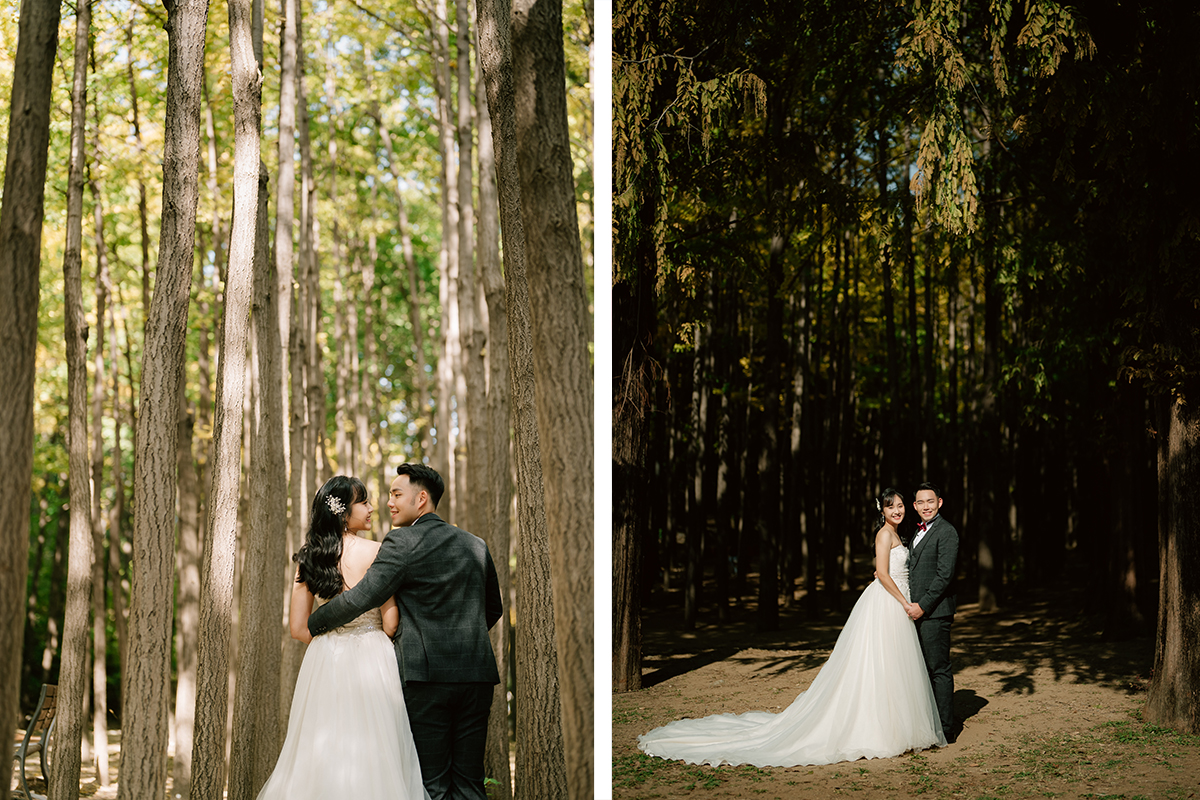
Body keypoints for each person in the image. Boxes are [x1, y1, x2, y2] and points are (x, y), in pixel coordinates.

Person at [638, 488, 945, 767]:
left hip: (897, 600)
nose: (898, 511)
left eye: (901, 505)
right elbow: (881, 572)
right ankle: (881, 728)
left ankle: (894, 725)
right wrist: (903, 602)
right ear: (883, 511)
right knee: (879, 663)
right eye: (892, 507)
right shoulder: (884, 535)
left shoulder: (897, 535)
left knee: (892, 666)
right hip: (889, 603)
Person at [308, 463, 503, 800]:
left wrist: (313, 624)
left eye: (397, 494)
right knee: (471, 784)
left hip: (425, 679)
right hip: (476, 676)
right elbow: (494, 608)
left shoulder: (402, 542)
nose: (389, 503)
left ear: (422, 498)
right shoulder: (476, 544)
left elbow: (364, 596)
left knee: (434, 785)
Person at [257, 475, 429, 800]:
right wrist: (368, 634)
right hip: (373, 654)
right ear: (343, 511)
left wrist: (334, 640)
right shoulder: (377, 550)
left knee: (321, 746)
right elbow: (391, 622)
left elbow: (298, 628)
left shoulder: (310, 557)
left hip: (325, 658)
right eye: (363, 502)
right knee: (377, 745)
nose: (371, 507)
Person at [907, 481, 960, 742]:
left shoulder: (947, 532)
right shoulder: (916, 532)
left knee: (938, 669)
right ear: (915, 506)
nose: (926, 506)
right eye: (921, 502)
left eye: (931, 501)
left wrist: (923, 606)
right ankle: (929, 724)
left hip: (935, 612)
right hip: (914, 611)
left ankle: (946, 730)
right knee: (921, 669)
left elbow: (944, 576)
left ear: (939, 503)